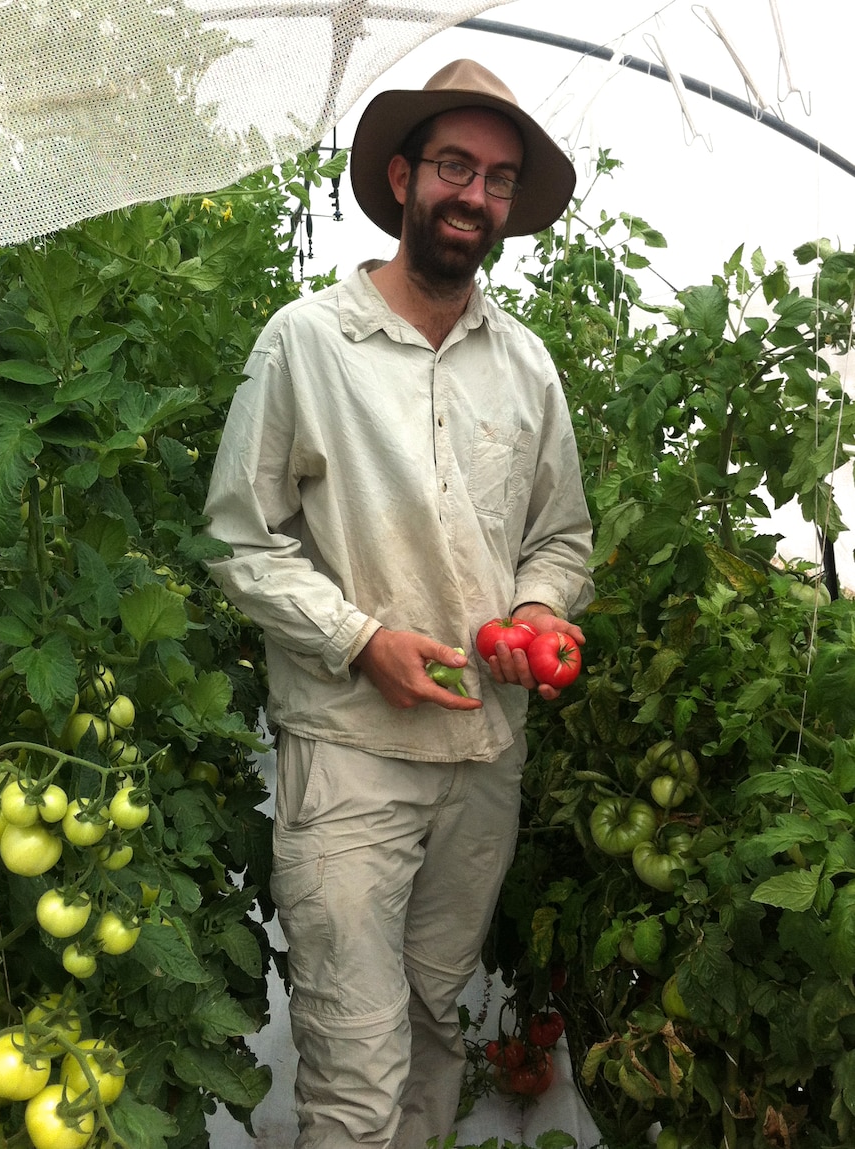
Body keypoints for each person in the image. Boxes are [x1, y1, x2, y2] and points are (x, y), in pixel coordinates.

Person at [203, 58, 594, 1149]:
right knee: (353, 1059)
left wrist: (540, 611)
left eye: (499, 179)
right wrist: (359, 638)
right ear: (403, 175)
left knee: (436, 1022)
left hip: (484, 760)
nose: (474, 195)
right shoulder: (307, 343)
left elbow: (558, 540)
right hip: (350, 754)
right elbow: (241, 537)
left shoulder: (526, 368)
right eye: (454, 167)